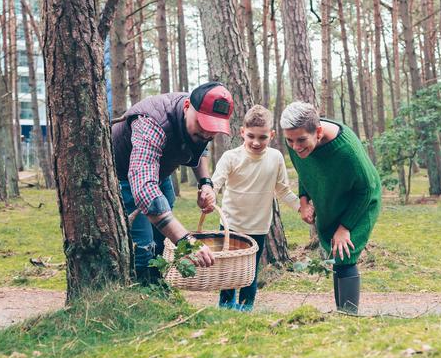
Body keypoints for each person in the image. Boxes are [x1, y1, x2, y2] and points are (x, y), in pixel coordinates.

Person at [112, 82, 232, 285]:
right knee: (142, 245)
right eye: (202, 126)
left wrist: (205, 183)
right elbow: (145, 191)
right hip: (125, 177)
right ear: (187, 107)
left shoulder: (199, 111)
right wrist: (187, 243)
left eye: (213, 130)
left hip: (159, 172)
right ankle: (140, 294)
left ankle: (158, 286)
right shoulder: (152, 123)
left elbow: (200, 147)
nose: (206, 134)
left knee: (162, 238)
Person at [280, 101, 381, 314]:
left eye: (301, 140)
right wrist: (304, 200)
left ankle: (349, 315)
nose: (295, 147)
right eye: (289, 141)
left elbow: (367, 189)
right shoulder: (295, 141)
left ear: (317, 132)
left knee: (345, 253)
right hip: (330, 197)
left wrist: (345, 227)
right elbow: (304, 170)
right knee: (336, 255)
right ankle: (341, 312)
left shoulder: (347, 150)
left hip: (360, 201)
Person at [210, 105, 300, 310]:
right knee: (230, 270)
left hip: (258, 227)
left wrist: (301, 208)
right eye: (251, 136)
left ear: (272, 135)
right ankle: (225, 308)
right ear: (242, 132)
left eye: (263, 137)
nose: (256, 142)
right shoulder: (231, 157)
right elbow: (216, 182)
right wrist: (209, 196)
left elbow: (283, 190)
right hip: (231, 225)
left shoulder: (276, 157)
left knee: (250, 272)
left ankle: (246, 309)